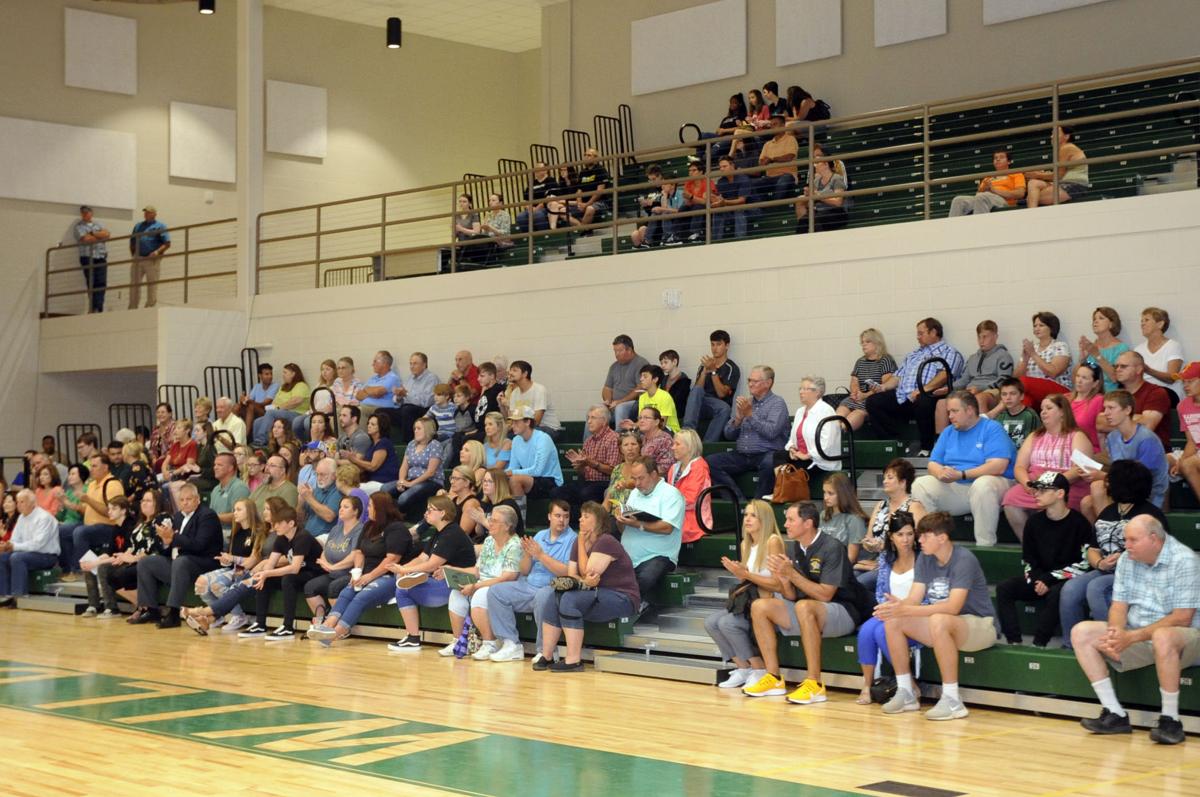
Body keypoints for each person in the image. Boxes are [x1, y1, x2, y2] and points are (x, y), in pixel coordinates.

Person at [1071, 515, 1199, 745]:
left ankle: (1171, 720)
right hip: (1139, 635)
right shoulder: (1127, 560)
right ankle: (1114, 714)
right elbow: (1119, 606)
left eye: (1132, 540)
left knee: (1162, 636)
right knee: (1081, 632)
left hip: (1185, 638)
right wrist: (1116, 633)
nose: (1126, 545)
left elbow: (1183, 617)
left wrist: (1131, 637)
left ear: (1154, 539)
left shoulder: (1184, 559)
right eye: (1125, 540)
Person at [741, 502, 872, 703]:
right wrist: (784, 580)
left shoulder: (832, 546)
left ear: (808, 523)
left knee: (805, 606)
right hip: (809, 609)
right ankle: (774, 677)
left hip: (844, 611)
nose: (786, 524)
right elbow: (792, 595)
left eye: (791, 520)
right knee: (760, 606)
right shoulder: (794, 548)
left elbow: (826, 595)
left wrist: (791, 574)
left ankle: (814, 684)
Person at [876, 512, 997, 721]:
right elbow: (914, 598)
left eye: (924, 536)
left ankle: (952, 700)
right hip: (945, 625)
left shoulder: (963, 559)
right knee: (894, 621)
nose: (919, 540)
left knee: (939, 618)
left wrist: (908, 610)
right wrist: (897, 606)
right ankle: (906, 692)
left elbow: (952, 607)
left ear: (942, 538)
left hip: (980, 626)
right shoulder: (925, 558)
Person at [1061, 460, 1166, 648]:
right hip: (1106, 569)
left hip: (1138, 573)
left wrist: (1126, 558)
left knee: (1096, 587)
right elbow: (1093, 549)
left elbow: (1158, 554)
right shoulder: (1107, 512)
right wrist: (1100, 563)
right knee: (1071, 588)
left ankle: (1114, 642)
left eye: (1110, 480)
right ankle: (1072, 644)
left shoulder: (1151, 515)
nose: (1106, 483)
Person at [536, 501, 639, 672]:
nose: (580, 519)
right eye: (581, 515)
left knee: (569, 599)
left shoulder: (607, 541)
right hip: (596, 594)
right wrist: (585, 581)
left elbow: (586, 571)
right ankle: (546, 655)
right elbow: (572, 575)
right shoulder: (579, 541)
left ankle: (573, 660)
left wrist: (582, 547)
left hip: (621, 597)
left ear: (597, 521)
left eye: (586, 516)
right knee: (553, 596)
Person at [995, 472, 1094, 647]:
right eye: (1036, 490)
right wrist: (1036, 578)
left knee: (1058, 593)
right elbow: (1028, 559)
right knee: (1004, 588)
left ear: (1060, 494)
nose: (1036, 494)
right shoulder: (1034, 522)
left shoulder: (1080, 524)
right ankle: (1014, 641)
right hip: (1039, 578)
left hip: (1064, 579)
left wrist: (1049, 579)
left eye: (1042, 490)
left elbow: (1085, 564)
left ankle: (1039, 643)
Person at [306, 493, 417, 645]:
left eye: (371, 506)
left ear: (380, 508)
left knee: (361, 597)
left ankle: (335, 633)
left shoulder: (396, 529)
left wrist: (369, 577)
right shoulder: (369, 526)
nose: (368, 509)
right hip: (367, 574)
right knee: (347, 591)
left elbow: (392, 560)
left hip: (390, 576)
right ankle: (326, 626)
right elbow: (359, 552)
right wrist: (357, 572)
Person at [912, 391, 1015, 547]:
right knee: (920, 484)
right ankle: (933, 543)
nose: (950, 416)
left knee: (983, 484)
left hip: (996, 486)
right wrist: (940, 472)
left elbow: (998, 466)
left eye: (954, 411)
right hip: (959, 488)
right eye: (948, 412)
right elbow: (932, 463)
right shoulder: (948, 431)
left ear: (970, 411)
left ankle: (985, 546)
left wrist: (962, 474)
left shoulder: (992, 428)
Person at [704, 500, 785, 689]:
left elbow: (777, 583)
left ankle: (759, 669)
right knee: (711, 622)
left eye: (753, 515)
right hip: (751, 601)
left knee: (727, 622)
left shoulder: (773, 541)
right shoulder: (745, 544)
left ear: (764, 519)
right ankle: (743, 668)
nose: (747, 519)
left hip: (770, 604)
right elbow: (748, 581)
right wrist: (740, 573)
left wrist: (746, 574)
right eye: (746, 515)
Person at [486, 499, 578, 662]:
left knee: (543, 596)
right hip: (529, 585)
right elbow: (525, 570)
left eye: (566, 516)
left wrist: (541, 555)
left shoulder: (573, 539)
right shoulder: (541, 535)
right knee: (496, 591)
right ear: (549, 516)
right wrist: (528, 555)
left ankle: (546, 650)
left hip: (554, 587)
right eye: (557, 515)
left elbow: (567, 573)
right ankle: (511, 644)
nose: (561, 520)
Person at [387, 496, 477, 652]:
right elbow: (422, 558)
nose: (425, 513)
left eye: (430, 510)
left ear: (442, 513)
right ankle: (412, 638)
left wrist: (404, 571)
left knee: (403, 590)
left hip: (458, 583)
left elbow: (431, 565)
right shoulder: (439, 533)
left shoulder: (451, 534)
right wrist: (401, 568)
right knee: (402, 586)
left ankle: (413, 639)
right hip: (443, 580)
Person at [130, 482, 222, 628]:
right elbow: (171, 547)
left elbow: (199, 545)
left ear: (197, 499)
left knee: (181, 562)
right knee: (146, 562)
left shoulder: (207, 515)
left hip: (203, 564)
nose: (185, 503)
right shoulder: (178, 517)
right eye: (182, 500)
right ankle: (150, 609)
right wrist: (166, 542)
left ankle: (173, 613)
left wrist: (173, 537)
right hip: (181, 563)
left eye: (189, 499)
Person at [1002, 394, 1094, 540]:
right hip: (1035, 482)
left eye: (1049, 408)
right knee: (1010, 499)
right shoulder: (1034, 436)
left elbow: (1080, 469)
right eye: (1042, 409)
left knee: (1048, 500)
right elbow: (1019, 467)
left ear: (1062, 411)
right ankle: (1029, 546)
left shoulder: (1077, 436)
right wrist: (1027, 484)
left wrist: (1050, 485)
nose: (1043, 412)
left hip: (1066, 485)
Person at [855, 511, 921, 704]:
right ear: (891, 537)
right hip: (890, 610)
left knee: (882, 632)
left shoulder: (923, 558)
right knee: (866, 631)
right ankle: (867, 685)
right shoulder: (886, 558)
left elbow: (925, 597)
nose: (906, 540)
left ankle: (909, 683)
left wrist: (902, 609)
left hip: (913, 613)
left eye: (909, 534)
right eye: (900, 535)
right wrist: (886, 609)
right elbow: (881, 591)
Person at [231, 503, 324, 640]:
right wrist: (262, 575)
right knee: (265, 578)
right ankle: (260, 624)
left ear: (291, 523)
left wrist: (267, 573)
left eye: (279, 523)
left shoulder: (302, 537)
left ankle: (288, 627)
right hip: (299, 573)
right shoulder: (281, 538)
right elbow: (271, 563)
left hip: (315, 573)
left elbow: (294, 568)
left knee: (288, 578)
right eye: (274, 523)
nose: (275, 527)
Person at [443, 505, 522, 659]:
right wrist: (452, 569)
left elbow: (508, 577)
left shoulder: (515, 545)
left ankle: (490, 643)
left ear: (507, 526)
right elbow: (477, 571)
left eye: (494, 521)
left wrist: (476, 586)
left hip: (501, 586)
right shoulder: (489, 541)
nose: (489, 523)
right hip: (482, 582)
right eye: (490, 519)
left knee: (479, 595)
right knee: (456, 593)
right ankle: (459, 641)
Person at [705, 366, 790, 503]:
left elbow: (772, 432)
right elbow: (728, 435)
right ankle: (738, 502)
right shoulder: (747, 402)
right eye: (749, 380)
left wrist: (750, 415)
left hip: (767, 453)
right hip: (743, 454)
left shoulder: (777, 403)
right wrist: (738, 419)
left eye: (755, 381)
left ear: (768, 383)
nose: (750, 384)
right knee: (710, 462)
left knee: (770, 462)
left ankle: (758, 505)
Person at [612, 457, 685, 610]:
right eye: (634, 479)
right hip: (629, 555)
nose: (637, 484)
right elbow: (623, 530)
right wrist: (620, 520)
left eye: (641, 478)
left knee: (645, 578)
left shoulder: (671, 494)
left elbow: (667, 528)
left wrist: (639, 524)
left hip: (658, 555)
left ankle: (626, 609)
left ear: (653, 474)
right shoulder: (634, 493)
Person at [1083, 390, 1169, 520]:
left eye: (1111, 408)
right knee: (1087, 504)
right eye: (1105, 408)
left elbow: (1140, 480)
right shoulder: (1112, 437)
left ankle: (1113, 530)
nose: (1105, 413)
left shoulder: (1147, 439)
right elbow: (1118, 470)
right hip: (1124, 491)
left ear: (1127, 410)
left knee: (1098, 486)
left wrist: (1103, 476)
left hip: (1148, 494)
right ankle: (1107, 535)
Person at [84, 491, 169, 618]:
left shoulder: (159, 518)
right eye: (143, 500)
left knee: (110, 570)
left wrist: (130, 557)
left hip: (151, 560)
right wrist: (121, 556)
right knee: (106, 573)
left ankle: (139, 608)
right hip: (135, 559)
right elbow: (127, 548)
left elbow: (155, 546)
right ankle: (142, 607)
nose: (144, 503)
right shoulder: (139, 523)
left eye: (148, 501)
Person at [189, 497, 266, 631]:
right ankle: (217, 616)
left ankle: (238, 616)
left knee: (216, 584)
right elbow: (233, 560)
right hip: (234, 569)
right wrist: (226, 561)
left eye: (238, 509)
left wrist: (232, 558)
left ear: (249, 512)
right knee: (200, 582)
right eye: (234, 510)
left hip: (249, 572)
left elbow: (250, 563)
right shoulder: (236, 531)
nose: (234, 513)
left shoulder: (258, 531)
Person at [763, 375, 840, 497]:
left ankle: (784, 492)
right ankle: (782, 489)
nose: (801, 392)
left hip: (818, 458)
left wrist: (807, 455)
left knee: (797, 466)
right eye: (800, 388)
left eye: (805, 389)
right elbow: (793, 438)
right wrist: (792, 449)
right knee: (778, 455)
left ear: (817, 392)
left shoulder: (826, 411)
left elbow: (827, 443)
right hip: (800, 454)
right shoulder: (800, 411)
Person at [859, 458, 928, 587]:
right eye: (884, 478)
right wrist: (869, 545)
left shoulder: (914, 507)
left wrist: (883, 547)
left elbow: (920, 542)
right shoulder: (880, 505)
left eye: (890, 478)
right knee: (849, 577)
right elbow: (868, 538)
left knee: (859, 583)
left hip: (901, 564)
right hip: (879, 561)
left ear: (902, 482)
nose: (885, 481)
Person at [937, 320, 1013, 425]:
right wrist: (949, 388)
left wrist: (980, 388)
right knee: (941, 403)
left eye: (985, 337)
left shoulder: (1003, 356)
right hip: (971, 391)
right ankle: (941, 440)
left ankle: (984, 436)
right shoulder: (973, 358)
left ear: (995, 336)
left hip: (993, 391)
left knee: (979, 398)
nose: (981, 341)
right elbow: (964, 380)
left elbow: (1005, 381)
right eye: (979, 337)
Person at [302, 494, 363, 624]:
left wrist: (334, 567)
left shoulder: (360, 530)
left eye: (346, 507)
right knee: (310, 587)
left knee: (333, 587)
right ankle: (321, 619)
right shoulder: (336, 529)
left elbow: (354, 556)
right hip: (332, 572)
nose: (340, 509)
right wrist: (324, 561)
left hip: (349, 574)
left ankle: (339, 624)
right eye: (340, 506)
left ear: (356, 511)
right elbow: (326, 550)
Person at [67, 453, 126, 581]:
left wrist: (87, 499)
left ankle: (80, 571)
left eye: (94, 466)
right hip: (91, 526)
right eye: (91, 466)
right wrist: (68, 503)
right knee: (62, 531)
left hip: (109, 527)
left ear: (105, 467)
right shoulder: (92, 484)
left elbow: (110, 513)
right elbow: (86, 510)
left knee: (80, 532)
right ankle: (68, 568)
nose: (91, 469)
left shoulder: (113, 484)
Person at [0, 490, 60, 604]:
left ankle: (19, 595)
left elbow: (38, 544)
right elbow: (15, 539)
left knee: (17, 557)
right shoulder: (22, 517)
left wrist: (14, 546)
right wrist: (7, 545)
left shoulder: (44, 517)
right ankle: (4, 595)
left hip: (46, 556)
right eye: (17, 502)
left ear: (33, 503)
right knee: (2, 557)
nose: (18, 505)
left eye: (22, 502)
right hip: (27, 553)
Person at [557, 405, 620, 511]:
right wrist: (579, 466)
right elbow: (584, 472)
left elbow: (613, 470)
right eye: (588, 418)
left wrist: (591, 462)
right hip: (588, 482)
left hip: (605, 483)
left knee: (586, 492)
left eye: (593, 418)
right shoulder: (588, 441)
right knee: (557, 492)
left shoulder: (613, 439)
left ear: (604, 421)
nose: (589, 422)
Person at [682, 329, 739, 442]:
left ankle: (707, 444)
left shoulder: (731, 368)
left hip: (718, 405)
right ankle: (687, 434)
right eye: (712, 344)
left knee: (724, 409)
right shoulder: (704, 365)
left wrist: (713, 372)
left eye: (718, 344)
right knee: (696, 391)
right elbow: (696, 391)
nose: (714, 348)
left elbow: (722, 394)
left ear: (727, 346)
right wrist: (704, 371)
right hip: (701, 402)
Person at [837, 328, 897, 431]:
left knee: (854, 416)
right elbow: (854, 382)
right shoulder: (860, 361)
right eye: (862, 342)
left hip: (873, 399)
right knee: (839, 414)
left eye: (867, 342)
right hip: (858, 397)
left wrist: (865, 395)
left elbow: (885, 385)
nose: (863, 345)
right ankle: (834, 432)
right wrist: (855, 392)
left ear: (877, 343)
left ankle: (842, 433)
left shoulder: (885, 360)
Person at [1114, 350, 1172, 450]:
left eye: (1123, 366)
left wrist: (1116, 419)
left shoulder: (1156, 393)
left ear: (1139, 369)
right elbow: (1099, 423)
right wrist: (1135, 418)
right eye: (1116, 366)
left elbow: (1146, 426)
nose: (1118, 369)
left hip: (1149, 452)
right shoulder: (1115, 395)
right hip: (1118, 450)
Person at [1016, 311, 1074, 408]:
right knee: (1023, 401)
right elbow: (1016, 379)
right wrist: (1025, 361)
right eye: (1035, 326)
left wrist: (1033, 354)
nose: (1037, 328)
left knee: (1024, 382)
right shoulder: (1032, 347)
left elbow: (1053, 372)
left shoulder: (1060, 346)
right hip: (1034, 392)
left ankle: (994, 412)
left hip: (1059, 390)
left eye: (1041, 325)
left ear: (1051, 328)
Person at [506, 407, 563, 500]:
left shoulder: (543, 439)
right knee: (498, 479)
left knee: (514, 480)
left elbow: (537, 470)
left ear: (528, 422)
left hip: (550, 481)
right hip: (531, 479)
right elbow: (513, 466)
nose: (512, 426)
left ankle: (520, 514)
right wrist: (501, 474)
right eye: (512, 422)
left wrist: (512, 472)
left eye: (516, 422)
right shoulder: (516, 440)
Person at [948, 149, 1027, 216]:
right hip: (984, 198)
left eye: (1001, 157)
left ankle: (980, 230)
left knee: (982, 196)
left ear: (1009, 162)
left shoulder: (1016, 174)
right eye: (995, 158)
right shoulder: (988, 177)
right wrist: (983, 189)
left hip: (1004, 201)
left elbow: (1020, 193)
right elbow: (977, 195)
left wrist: (994, 191)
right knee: (958, 200)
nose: (997, 159)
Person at [667, 429, 712, 544]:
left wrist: (667, 505)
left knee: (659, 529)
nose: (673, 447)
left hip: (694, 520)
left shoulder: (699, 467)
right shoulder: (673, 468)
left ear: (689, 447)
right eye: (673, 444)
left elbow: (690, 500)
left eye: (677, 444)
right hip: (675, 514)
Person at [1026, 126, 1089, 208]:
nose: (1051, 136)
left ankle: (1032, 217)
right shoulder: (1065, 148)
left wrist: (1038, 175)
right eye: (1052, 134)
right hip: (1065, 183)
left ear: (1066, 136)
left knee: (1031, 198)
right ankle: (1033, 214)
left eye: (1055, 134)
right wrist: (1041, 175)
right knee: (1033, 184)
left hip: (1073, 185)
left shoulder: (1067, 148)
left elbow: (1059, 175)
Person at [390, 417, 445, 513]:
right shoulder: (411, 444)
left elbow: (430, 472)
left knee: (404, 498)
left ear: (427, 430)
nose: (415, 431)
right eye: (414, 429)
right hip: (411, 480)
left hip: (431, 482)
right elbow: (404, 466)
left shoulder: (435, 445)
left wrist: (411, 484)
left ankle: (397, 514)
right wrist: (401, 481)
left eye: (419, 429)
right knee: (384, 489)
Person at [385, 352, 440, 445]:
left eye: (415, 363)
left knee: (407, 410)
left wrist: (406, 393)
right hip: (406, 409)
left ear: (424, 365)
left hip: (424, 412)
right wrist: (399, 396)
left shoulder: (431, 378)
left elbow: (425, 402)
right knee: (381, 412)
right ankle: (384, 444)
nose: (412, 366)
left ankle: (408, 444)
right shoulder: (409, 378)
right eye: (410, 363)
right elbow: (399, 403)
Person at [252, 363, 310, 446]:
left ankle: (260, 441)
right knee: (257, 421)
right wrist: (273, 407)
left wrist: (278, 407)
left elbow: (296, 401)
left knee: (271, 413)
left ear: (293, 374)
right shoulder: (283, 387)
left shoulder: (301, 385)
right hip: (281, 412)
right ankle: (264, 446)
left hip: (296, 414)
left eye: (285, 372)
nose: (283, 375)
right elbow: (275, 402)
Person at [1135, 307, 1184, 404]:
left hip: (1167, 394)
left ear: (1160, 324)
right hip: (1145, 394)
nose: (1142, 324)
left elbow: (1172, 378)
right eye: (1141, 321)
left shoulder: (1173, 346)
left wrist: (1148, 370)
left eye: (1147, 320)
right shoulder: (1138, 349)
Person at [794, 144, 848, 233]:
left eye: (818, 158)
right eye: (814, 157)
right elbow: (812, 192)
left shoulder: (836, 177)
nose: (815, 163)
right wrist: (809, 193)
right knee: (804, 219)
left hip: (834, 211)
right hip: (819, 208)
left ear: (826, 163)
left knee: (814, 219)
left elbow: (838, 202)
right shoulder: (816, 178)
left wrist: (818, 195)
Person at [505, 360, 563, 440]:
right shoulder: (514, 393)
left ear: (525, 374)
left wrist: (518, 428)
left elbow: (536, 421)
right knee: (504, 436)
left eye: (514, 370)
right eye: (510, 370)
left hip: (549, 428)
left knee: (526, 434)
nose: (510, 373)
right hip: (526, 428)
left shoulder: (539, 390)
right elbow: (513, 418)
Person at [602, 335, 650, 432]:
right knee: (594, 412)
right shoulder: (614, 366)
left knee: (621, 408)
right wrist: (608, 401)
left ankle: (620, 441)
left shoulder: (641, 364)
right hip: (613, 404)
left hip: (633, 404)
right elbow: (607, 388)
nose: (616, 354)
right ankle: (588, 445)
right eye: (615, 351)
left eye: (619, 351)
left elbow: (640, 388)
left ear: (629, 350)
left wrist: (620, 401)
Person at [819, 473, 869, 564]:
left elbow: (851, 558)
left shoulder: (854, 520)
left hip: (845, 568)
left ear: (843, 494)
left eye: (830, 493)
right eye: (824, 492)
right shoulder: (823, 515)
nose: (826, 497)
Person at [342, 414, 399, 495]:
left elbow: (373, 466)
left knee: (349, 489)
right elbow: (364, 467)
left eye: (373, 424)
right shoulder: (372, 445)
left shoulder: (384, 442)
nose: (369, 426)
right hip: (372, 482)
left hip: (383, 482)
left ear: (381, 427)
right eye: (368, 423)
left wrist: (354, 459)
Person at [128, 205, 170, 309]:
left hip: (152, 259)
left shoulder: (160, 226)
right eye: (145, 212)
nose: (146, 214)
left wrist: (157, 252)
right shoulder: (138, 226)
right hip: (138, 258)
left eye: (148, 212)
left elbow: (167, 243)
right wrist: (134, 255)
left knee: (152, 284)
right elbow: (132, 241)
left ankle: (150, 306)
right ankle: (132, 307)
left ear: (154, 214)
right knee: (134, 284)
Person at [1079, 306, 1128, 392]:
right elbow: (1080, 377)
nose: (1095, 321)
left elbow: (1116, 378)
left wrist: (1097, 355)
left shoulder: (1121, 348)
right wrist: (1082, 360)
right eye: (1094, 319)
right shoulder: (1091, 346)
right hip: (1089, 393)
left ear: (1111, 324)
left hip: (1111, 395)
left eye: (1101, 318)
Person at [73, 205, 110, 313]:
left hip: (100, 256)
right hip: (87, 257)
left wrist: (92, 233)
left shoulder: (98, 224)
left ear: (91, 213)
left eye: (87, 212)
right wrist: (99, 236)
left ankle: (98, 307)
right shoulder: (78, 226)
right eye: (83, 212)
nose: (85, 214)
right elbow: (85, 239)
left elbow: (107, 234)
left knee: (101, 283)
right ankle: (93, 307)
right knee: (92, 283)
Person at [986, 378, 1041, 451]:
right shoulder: (1000, 415)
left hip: (1022, 455)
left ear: (1022, 396)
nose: (1008, 398)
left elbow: (1033, 443)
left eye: (1013, 393)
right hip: (1003, 454)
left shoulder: (1030, 415)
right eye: (1004, 394)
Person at [1172, 361, 1200, 501]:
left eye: (1190, 381)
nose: (1185, 386)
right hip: (1196, 450)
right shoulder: (1183, 406)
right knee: (1162, 461)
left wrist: (1184, 462)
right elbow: (1192, 441)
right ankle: (1162, 514)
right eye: (1184, 382)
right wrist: (1180, 461)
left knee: (1188, 464)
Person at [753, 116, 799, 202]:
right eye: (771, 125)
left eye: (775, 124)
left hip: (787, 175)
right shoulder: (767, 144)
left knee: (784, 181)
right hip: (769, 177)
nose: (772, 127)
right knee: (752, 184)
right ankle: (763, 205)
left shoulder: (791, 139)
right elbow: (761, 163)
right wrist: (765, 161)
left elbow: (789, 157)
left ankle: (774, 205)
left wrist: (771, 159)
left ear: (783, 125)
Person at [297, 457, 342, 538]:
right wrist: (301, 501)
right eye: (317, 474)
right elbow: (300, 519)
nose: (319, 478)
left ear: (334, 475)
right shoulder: (318, 489)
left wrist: (309, 498)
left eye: (322, 474)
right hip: (307, 535)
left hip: (325, 538)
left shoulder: (338, 491)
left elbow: (329, 516)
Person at [476, 466, 525, 537]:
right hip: (489, 542)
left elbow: (501, 533)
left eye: (490, 481)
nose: (485, 484)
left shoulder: (508, 505)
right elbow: (480, 533)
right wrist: (479, 521)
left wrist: (483, 520)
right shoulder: (486, 503)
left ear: (500, 484)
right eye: (484, 481)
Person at [711, 155, 751, 241]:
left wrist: (724, 202)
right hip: (730, 209)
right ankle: (716, 241)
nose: (722, 169)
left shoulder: (743, 179)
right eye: (720, 167)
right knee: (717, 212)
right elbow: (720, 199)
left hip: (748, 209)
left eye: (724, 166)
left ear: (732, 166)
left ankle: (740, 240)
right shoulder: (721, 181)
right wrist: (713, 199)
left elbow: (742, 201)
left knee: (738, 210)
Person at [570, 148, 611, 230]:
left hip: (599, 202)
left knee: (590, 209)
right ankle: (582, 228)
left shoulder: (600, 170)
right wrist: (579, 203)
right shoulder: (582, 172)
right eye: (585, 155)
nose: (586, 157)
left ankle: (581, 231)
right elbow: (579, 190)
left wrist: (587, 204)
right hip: (583, 202)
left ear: (595, 158)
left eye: (589, 155)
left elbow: (599, 191)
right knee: (563, 210)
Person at [354, 351, 402, 419]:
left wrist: (366, 390)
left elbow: (378, 392)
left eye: (375, 361)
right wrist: (371, 392)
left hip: (382, 410)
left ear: (385, 363)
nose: (372, 364)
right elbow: (358, 396)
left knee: (356, 411)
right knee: (347, 410)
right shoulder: (373, 378)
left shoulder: (392, 378)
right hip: (366, 407)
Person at [604, 433, 643, 514]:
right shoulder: (617, 469)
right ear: (621, 449)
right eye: (626, 445)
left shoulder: (644, 467)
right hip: (615, 514)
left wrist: (626, 484)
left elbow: (644, 486)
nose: (630, 448)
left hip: (635, 514)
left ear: (639, 447)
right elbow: (609, 495)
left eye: (633, 444)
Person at [1070, 362, 1106, 449]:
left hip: (1088, 451)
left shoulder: (1099, 400)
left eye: (1084, 378)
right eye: (1078, 376)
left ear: (1095, 383)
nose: (1079, 380)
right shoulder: (1066, 399)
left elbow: (1102, 432)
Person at [236, 362, 279, 434]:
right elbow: (249, 400)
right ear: (260, 375)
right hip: (254, 410)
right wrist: (243, 400)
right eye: (267, 374)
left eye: (271, 374)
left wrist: (248, 401)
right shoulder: (257, 386)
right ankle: (232, 432)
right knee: (236, 406)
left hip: (266, 412)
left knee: (251, 406)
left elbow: (265, 403)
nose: (270, 376)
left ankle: (245, 437)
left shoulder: (275, 386)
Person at [514, 162, 557, 233]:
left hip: (545, 208)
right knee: (520, 217)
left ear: (545, 170)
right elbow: (525, 200)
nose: (536, 170)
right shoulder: (532, 183)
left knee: (537, 214)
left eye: (538, 168)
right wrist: (529, 207)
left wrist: (537, 208)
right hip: (532, 208)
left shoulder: (551, 180)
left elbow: (549, 198)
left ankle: (545, 234)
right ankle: (529, 237)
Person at [634, 407, 674, 476]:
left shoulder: (665, 440)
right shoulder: (642, 438)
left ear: (656, 422)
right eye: (640, 418)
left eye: (646, 418)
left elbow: (666, 467)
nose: (641, 421)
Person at [659, 350, 691, 420]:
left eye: (665, 362)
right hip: (663, 410)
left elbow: (678, 400)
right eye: (661, 363)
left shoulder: (684, 379)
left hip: (676, 412)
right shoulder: (664, 379)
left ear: (674, 362)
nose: (662, 365)